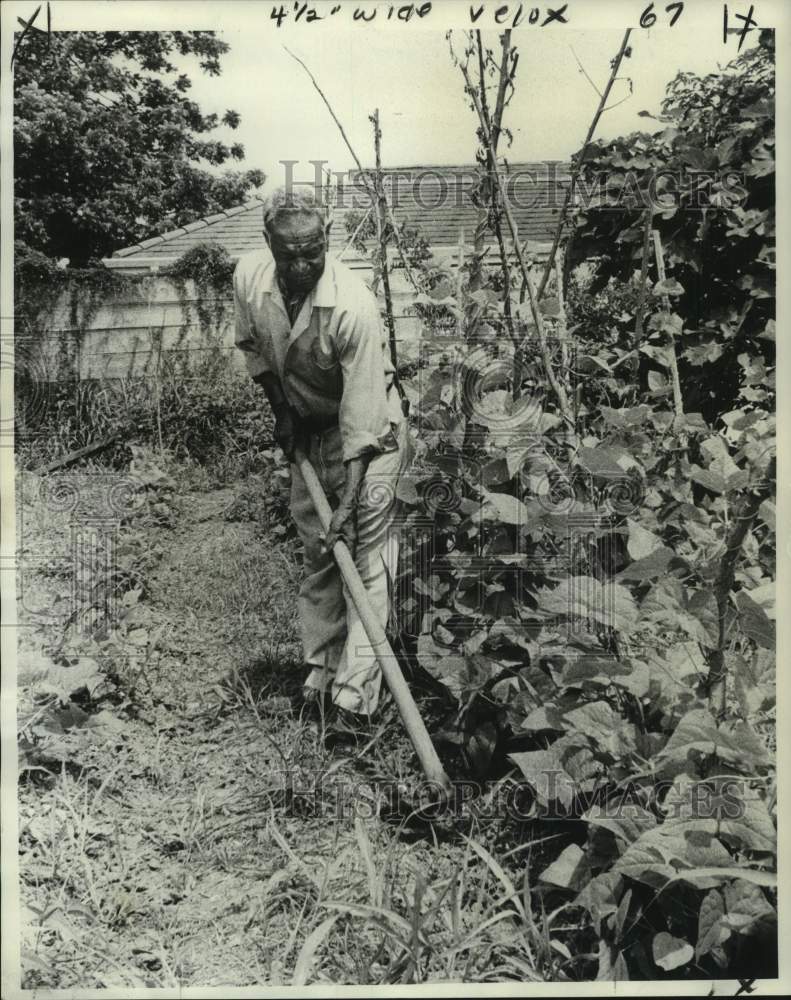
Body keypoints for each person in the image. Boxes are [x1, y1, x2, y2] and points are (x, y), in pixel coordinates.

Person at [233, 186, 408, 723]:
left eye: (313, 251)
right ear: (268, 244)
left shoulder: (352, 304)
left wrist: (349, 503)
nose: (303, 264)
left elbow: (363, 418)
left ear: (327, 239)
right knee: (318, 553)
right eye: (290, 254)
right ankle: (323, 671)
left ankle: (355, 698)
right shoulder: (249, 278)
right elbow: (254, 348)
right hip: (307, 432)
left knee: (366, 558)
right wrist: (283, 412)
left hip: (372, 438)